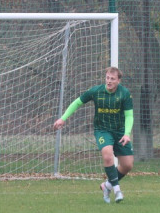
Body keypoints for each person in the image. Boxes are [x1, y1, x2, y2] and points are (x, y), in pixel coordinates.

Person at [53, 66, 134, 203]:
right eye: (107, 78)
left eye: (112, 79)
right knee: (107, 155)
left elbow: (129, 116)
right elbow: (77, 102)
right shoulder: (96, 91)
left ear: (118, 80)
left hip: (120, 132)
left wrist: (127, 134)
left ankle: (106, 186)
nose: (109, 81)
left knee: (127, 165)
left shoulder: (124, 93)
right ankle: (117, 190)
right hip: (102, 130)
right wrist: (63, 118)